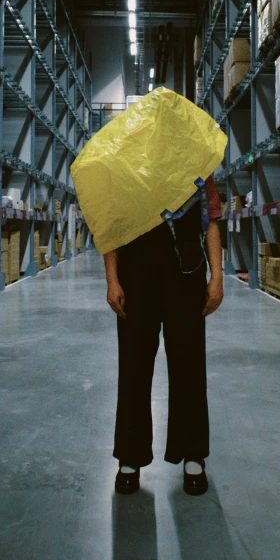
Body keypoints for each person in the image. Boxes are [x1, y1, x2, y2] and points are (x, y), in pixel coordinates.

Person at [103, 175, 224, 496]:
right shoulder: (125, 164)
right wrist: (112, 279)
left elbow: (211, 220)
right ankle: (130, 458)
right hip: (136, 276)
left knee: (189, 365)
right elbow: (111, 224)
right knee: (133, 366)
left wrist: (217, 277)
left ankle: (193, 455)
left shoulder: (196, 163)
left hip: (186, 275)